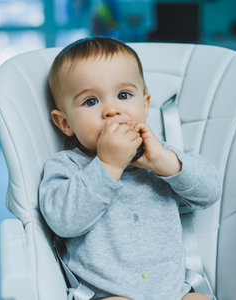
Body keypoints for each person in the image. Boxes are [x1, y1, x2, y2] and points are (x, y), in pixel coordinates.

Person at [39, 37, 222, 300]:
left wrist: (165, 163)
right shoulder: (66, 166)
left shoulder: (158, 154)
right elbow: (64, 222)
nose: (112, 110)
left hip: (174, 291)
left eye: (124, 95)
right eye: (91, 101)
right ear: (65, 123)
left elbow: (210, 192)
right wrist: (108, 164)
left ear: (145, 106)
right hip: (105, 294)